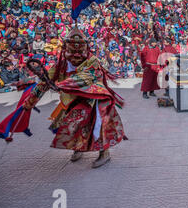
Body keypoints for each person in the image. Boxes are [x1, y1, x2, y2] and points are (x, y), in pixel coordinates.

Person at [22, 28, 126, 168]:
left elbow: (87, 77)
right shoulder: (62, 64)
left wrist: (63, 85)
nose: (76, 54)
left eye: (80, 50)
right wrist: (30, 102)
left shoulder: (92, 61)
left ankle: (104, 152)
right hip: (71, 101)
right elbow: (44, 83)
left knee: (98, 126)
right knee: (73, 125)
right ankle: (78, 148)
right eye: (72, 50)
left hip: (94, 100)